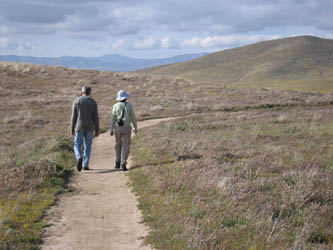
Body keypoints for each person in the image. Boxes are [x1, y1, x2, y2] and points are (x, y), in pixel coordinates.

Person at [71, 86, 99, 171]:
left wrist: (72, 128)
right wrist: (97, 130)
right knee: (88, 146)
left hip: (79, 126)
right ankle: (85, 165)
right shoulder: (93, 102)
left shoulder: (77, 100)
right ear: (90, 92)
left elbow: (73, 116)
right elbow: (96, 117)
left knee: (77, 144)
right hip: (90, 127)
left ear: (82, 91)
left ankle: (79, 157)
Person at [110, 90, 137, 171]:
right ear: (126, 98)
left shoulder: (115, 106)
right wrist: (135, 127)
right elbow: (133, 118)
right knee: (126, 145)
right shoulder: (129, 106)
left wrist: (111, 129)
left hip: (117, 128)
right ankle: (123, 162)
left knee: (118, 144)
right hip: (127, 128)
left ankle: (117, 162)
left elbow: (112, 118)